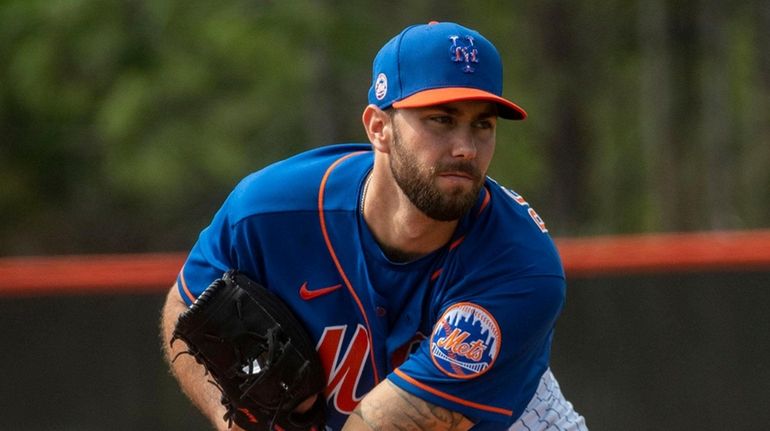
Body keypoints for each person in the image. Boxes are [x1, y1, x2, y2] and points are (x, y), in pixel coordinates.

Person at [161, 21, 587, 431]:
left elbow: (380, 425)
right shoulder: (271, 211)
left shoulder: (520, 265)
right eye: (441, 119)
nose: (465, 148)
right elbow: (184, 307)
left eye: (482, 125)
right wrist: (230, 420)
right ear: (379, 127)